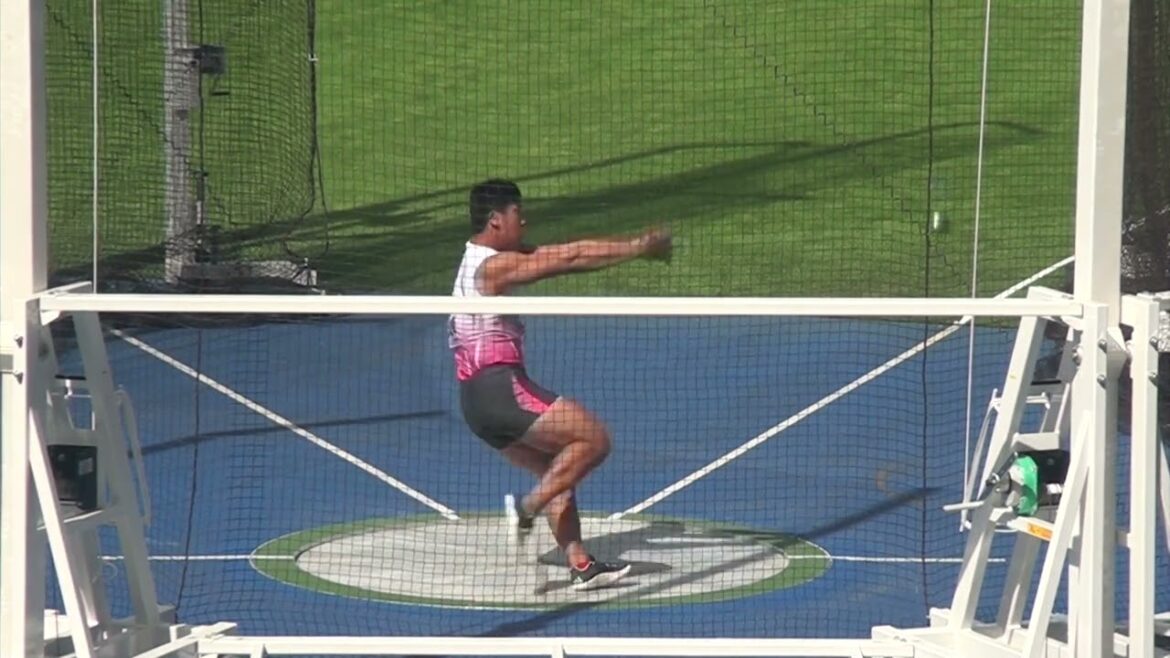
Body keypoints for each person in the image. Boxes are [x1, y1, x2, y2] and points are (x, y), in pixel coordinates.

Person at [448, 179, 672, 591]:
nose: (524, 221)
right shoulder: (492, 267)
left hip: (475, 404)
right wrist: (641, 247)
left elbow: (573, 251)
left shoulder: (478, 261)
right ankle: (527, 508)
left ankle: (580, 563)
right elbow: (571, 256)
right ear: (496, 220)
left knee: (558, 472)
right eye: (517, 213)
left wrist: (630, 247)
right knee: (593, 439)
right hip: (500, 390)